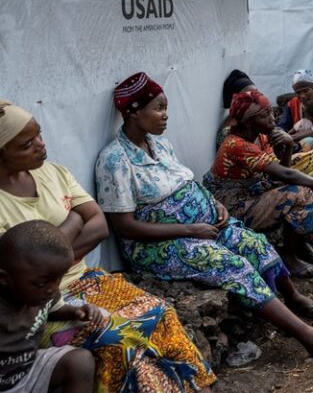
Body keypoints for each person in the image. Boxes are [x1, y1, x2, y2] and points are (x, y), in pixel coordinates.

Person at [95, 74, 313, 360]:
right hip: (159, 245)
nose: (166, 115)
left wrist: (215, 204)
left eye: (166, 107)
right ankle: (310, 338)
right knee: (232, 265)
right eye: (159, 108)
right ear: (132, 112)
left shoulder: (161, 145)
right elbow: (125, 227)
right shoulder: (115, 161)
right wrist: (190, 230)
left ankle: (292, 298)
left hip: (204, 223)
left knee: (255, 244)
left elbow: (188, 185)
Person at [0, 99, 215, 391]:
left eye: (39, 134)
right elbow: (32, 266)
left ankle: (195, 386)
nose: (40, 144)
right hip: (42, 299)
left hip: (86, 280)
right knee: (117, 342)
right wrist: (74, 220)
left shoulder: (54, 173)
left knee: (160, 313)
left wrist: (53, 252)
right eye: (26, 144)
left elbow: (99, 225)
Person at [204, 89, 313, 278]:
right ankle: (288, 256)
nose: (272, 118)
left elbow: (280, 174)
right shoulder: (236, 144)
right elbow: (285, 173)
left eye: (270, 111)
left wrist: (288, 146)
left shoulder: (260, 136)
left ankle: (300, 246)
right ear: (247, 121)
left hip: (251, 194)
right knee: (298, 192)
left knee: (299, 187)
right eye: (265, 114)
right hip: (232, 208)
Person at [0, 220, 95, 393]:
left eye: (58, 278)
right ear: (4, 279)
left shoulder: (42, 293)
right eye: (43, 282)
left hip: (27, 371)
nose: (52, 288)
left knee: (80, 362)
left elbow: (55, 310)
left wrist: (76, 312)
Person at [216, 69, 258, 148]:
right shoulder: (226, 130)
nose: (254, 98)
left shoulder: (251, 119)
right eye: (247, 96)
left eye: (255, 93)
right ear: (236, 101)